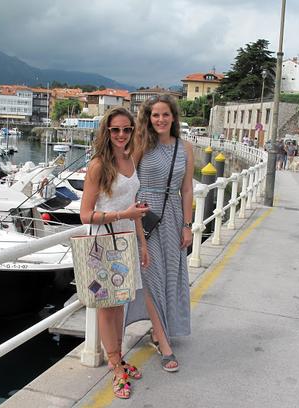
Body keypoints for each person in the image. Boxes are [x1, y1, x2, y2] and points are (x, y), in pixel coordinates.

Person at [80, 107, 149, 399]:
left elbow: (135, 209)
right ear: (106, 132)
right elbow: (85, 215)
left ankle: (118, 358)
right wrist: (122, 213)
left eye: (126, 129)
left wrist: (142, 244)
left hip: (125, 242)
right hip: (103, 243)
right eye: (115, 130)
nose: (121, 135)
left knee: (119, 302)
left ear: (133, 131)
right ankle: (114, 365)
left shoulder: (131, 159)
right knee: (108, 306)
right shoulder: (98, 165)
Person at [126, 95, 194, 372]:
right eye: (155, 115)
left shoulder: (185, 148)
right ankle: (164, 344)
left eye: (165, 114)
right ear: (148, 118)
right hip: (146, 217)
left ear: (174, 118)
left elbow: (187, 189)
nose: (161, 120)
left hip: (174, 215)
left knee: (171, 276)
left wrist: (187, 225)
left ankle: (159, 330)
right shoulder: (142, 144)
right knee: (151, 276)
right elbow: (128, 180)